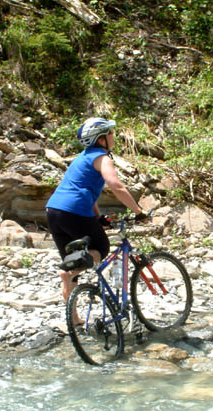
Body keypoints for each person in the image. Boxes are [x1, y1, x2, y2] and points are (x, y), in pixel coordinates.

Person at [46, 117, 146, 305]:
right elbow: (116, 185)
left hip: (53, 211)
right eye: (110, 133)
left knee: (73, 259)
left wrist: (98, 218)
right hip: (74, 211)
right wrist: (138, 211)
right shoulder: (102, 157)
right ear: (101, 139)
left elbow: (84, 190)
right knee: (101, 248)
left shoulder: (81, 158)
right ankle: (71, 272)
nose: (113, 136)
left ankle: (73, 315)